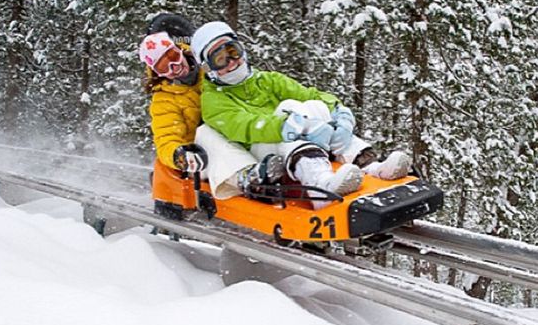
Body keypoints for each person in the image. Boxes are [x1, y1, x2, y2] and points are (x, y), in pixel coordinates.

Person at [189, 21, 411, 208]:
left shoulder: (267, 80)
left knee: (307, 104)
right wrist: (292, 127)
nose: (231, 62)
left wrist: (338, 112)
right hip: (261, 149)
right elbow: (243, 125)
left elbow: (309, 94)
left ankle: (370, 166)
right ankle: (320, 185)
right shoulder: (213, 100)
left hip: (296, 139)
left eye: (233, 51)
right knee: (288, 112)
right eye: (220, 59)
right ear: (208, 68)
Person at [138, 27, 282, 199]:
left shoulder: (208, 66)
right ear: (157, 72)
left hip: (234, 134)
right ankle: (245, 177)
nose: (174, 66)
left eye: (173, 57)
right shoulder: (163, 101)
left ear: (179, 51)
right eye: (164, 66)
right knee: (206, 132)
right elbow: (165, 139)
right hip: (201, 158)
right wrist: (180, 155)